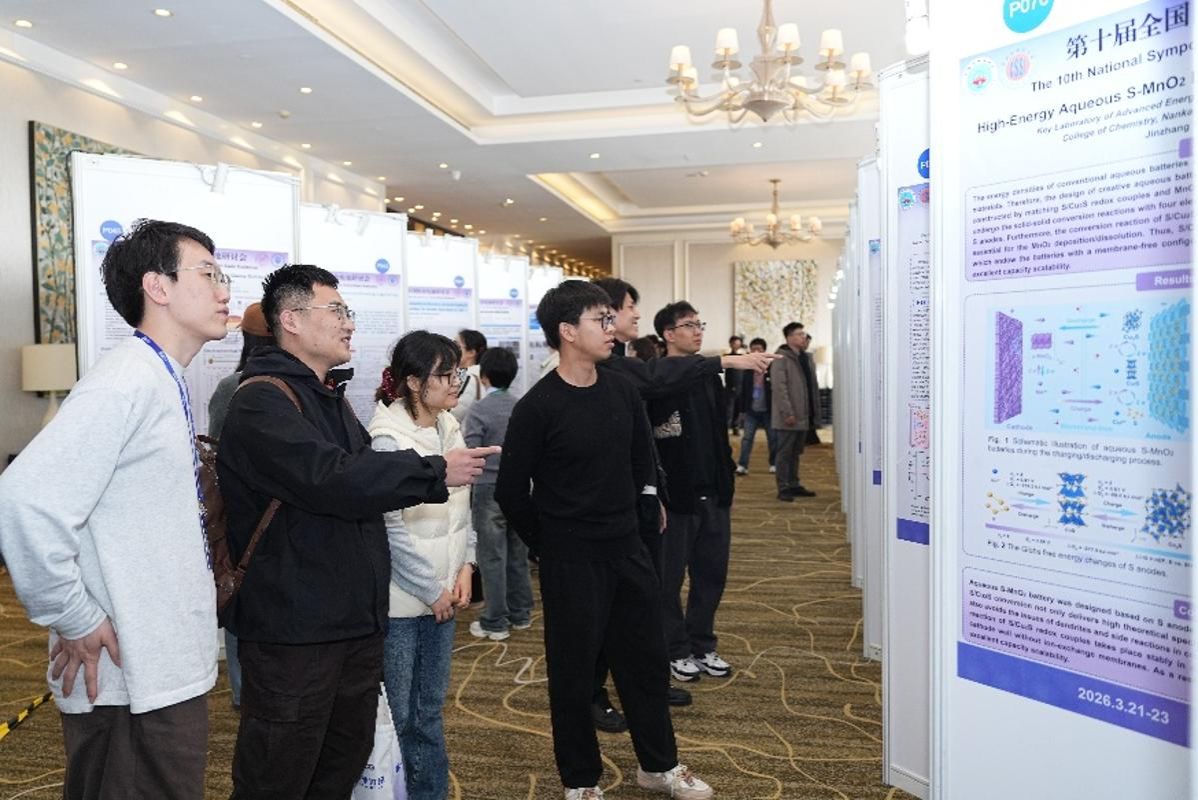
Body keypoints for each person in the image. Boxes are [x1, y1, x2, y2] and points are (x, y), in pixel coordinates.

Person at [216, 264, 497, 799]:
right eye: (338, 311)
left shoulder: (328, 397)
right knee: (279, 773)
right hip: (295, 632)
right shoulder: (262, 400)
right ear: (292, 320)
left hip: (349, 626)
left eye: (348, 311)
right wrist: (435, 471)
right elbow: (333, 478)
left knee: (339, 765)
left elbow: (361, 480)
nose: (349, 323)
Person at [0, 219, 230, 799]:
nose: (224, 290)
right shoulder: (125, 381)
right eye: (208, 274)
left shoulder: (158, 376)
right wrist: (73, 616)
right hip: (131, 676)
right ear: (157, 287)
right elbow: (23, 500)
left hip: (155, 666)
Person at [496, 281, 714, 800]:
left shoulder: (621, 390)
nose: (612, 328)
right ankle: (581, 780)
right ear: (568, 331)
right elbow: (511, 492)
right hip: (571, 560)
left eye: (611, 318)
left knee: (645, 665)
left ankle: (659, 766)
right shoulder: (538, 406)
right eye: (601, 319)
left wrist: (639, 522)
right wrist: (549, 544)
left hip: (628, 551)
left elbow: (642, 462)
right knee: (573, 675)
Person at [368, 331, 478, 799]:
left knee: (429, 711)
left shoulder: (448, 425)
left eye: (458, 373)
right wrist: (432, 589)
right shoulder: (387, 439)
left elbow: (462, 509)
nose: (455, 383)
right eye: (445, 375)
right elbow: (390, 531)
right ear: (413, 382)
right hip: (404, 604)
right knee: (402, 716)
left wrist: (467, 564)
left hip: (443, 596)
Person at [651, 302, 736, 685]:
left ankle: (703, 643)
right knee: (669, 580)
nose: (698, 330)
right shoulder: (657, 380)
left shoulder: (708, 377)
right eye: (688, 325)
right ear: (668, 334)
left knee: (711, 574)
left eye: (700, 324)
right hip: (676, 498)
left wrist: (726, 480)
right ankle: (675, 649)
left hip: (713, 493)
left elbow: (719, 434)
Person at [206, 301, 273, 712]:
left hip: (240, 516)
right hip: (263, 515)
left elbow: (216, 455)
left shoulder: (230, 387)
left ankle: (243, 693)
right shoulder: (236, 388)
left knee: (240, 601)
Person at [463, 347, 533, 640]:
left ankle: (495, 621)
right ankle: (521, 613)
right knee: (518, 554)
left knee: (491, 557)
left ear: (484, 376)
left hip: (488, 488)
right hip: (521, 488)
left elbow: (471, 450)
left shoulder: (478, 410)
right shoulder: (522, 406)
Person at [770, 322, 821, 502]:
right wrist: (787, 412)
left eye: (803, 334)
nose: (803, 337)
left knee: (795, 452)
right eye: (799, 334)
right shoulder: (781, 358)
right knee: (784, 453)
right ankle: (783, 487)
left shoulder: (804, 357)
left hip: (803, 414)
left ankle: (793, 483)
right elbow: (779, 387)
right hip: (789, 415)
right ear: (789, 337)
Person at [735, 338, 778, 476]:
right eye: (753, 349)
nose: (756, 352)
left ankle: (774, 463)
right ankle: (742, 465)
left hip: (768, 410)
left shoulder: (772, 368)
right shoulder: (747, 370)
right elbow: (743, 392)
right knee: (747, 439)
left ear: (764, 351)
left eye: (759, 349)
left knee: (773, 438)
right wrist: (741, 411)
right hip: (751, 410)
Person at [452, 328, 487, 422]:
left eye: (456, 345)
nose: (452, 349)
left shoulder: (471, 377)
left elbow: (456, 412)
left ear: (471, 352)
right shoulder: (477, 373)